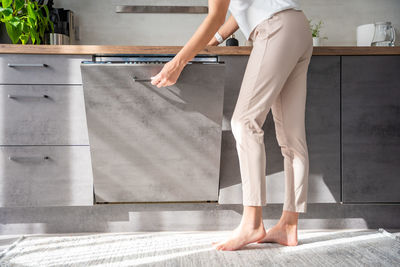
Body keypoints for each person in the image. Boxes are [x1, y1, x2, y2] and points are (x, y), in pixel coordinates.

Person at [151, 0, 313, 251]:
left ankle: (252, 223)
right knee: (292, 137)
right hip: (298, 26)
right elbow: (240, 10)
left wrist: (177, 62)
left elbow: (216, 15)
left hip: (275, 28)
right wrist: (215, 39)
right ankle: (288, 227)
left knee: (244, 122)